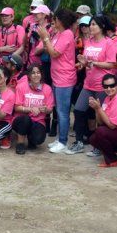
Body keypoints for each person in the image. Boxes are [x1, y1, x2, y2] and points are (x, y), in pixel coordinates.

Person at [70, 15, 117, 155]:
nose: (90, 27)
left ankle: (99, 146)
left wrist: (94, 63)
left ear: (102, 27)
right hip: (88, 84)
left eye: (93, 25)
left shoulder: (108, 43)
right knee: (79, 110)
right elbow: (88, 62)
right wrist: (82, 63)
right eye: (90, 25)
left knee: (100, 116)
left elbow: (111, 64)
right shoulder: (89, 42)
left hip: (103, 86)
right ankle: (79, 142)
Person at [39, 9, 77, 153]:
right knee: (58, 109)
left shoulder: (67, 34)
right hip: (57, 77)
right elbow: (48, 49)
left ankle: (63, 141)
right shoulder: (58, 33)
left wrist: (46, 38)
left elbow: (55, 53)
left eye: (55, 19)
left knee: (62, 111)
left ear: (61, 21)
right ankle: (60, 139)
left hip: (65, 78)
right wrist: (46, 38)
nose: (53, 22)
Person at [12, 65, 53, 154]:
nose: (36, 75)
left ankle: (31, 140)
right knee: (25, 119)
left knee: (38, 139)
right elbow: (16, 107)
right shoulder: (21, 86)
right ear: (29, 76)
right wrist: (30, 109)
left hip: (38, 121)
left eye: (38, 72)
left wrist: (45, 109)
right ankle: (20, 143)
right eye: (33, 73)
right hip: (21, 119)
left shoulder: (47, 88)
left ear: (41, 74)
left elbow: (50, 109)